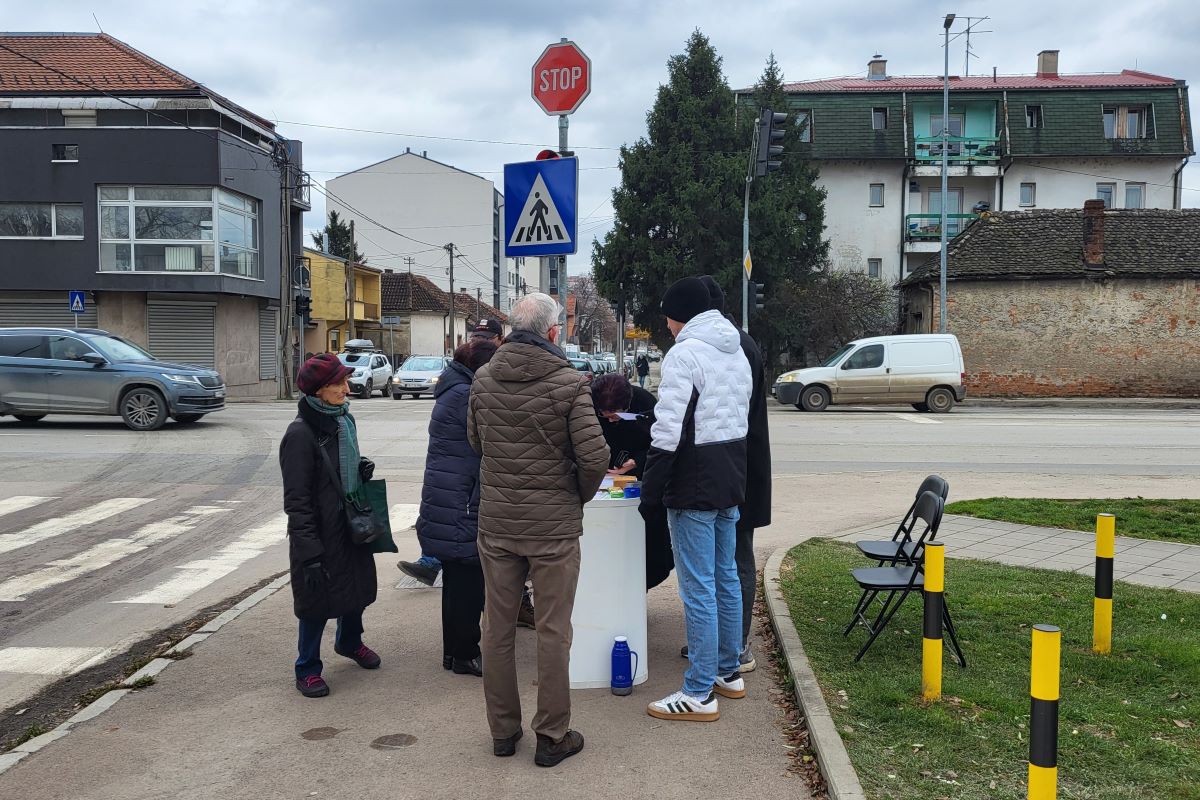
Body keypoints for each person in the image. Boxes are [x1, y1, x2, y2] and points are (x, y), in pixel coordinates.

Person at [468, 293, 609, 767]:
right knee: (553, 631)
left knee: (497, 629)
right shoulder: (570, 383)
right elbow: (594, 458)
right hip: (553, 530)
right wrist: (576, 495)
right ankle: (552, 735)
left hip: (499, 524)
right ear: (553, 333)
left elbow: (476, 441)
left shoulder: (483, 379)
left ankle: (502, 732)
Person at [641, 276, 752, 722]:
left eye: (667, 314)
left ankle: (699, 691)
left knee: (698, 588)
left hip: (692, 483)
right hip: (730, 476)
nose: (666, 324)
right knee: (724, 578)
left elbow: (667, 430)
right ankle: (728, 672)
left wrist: (650, 491)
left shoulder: (684, 354)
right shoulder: (737, 350)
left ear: (679, 314)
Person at [280, 354, 381, 699]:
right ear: (319, 390)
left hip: (350, 522)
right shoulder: (300, 434)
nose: (346, 389)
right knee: (316, 602)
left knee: (356, 590)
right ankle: (306, 667)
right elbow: (297, 500)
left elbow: (341, 468)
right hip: (320, 532)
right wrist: (309, 552)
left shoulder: (344, 421)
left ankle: (350, 642)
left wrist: (359, 468)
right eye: (338, 383)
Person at [698, 276, 771, 673]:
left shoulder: (732, 346)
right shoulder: (737, 341)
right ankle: (722, 643)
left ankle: (737, 647)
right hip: (738, 468)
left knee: (735, 562)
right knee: (724, 562)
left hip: (737, 471)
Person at [416, 337, 499, 678]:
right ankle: (465, 653)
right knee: (468, 584)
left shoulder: (453, 390)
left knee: (455, 583)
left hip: (450, 498)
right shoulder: (467, 395)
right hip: (463, 501)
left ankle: (454, 654)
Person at [590, 373, 673, 589]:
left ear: (627, 405)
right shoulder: (587, 405)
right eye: (604, 415)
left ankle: (637, 591)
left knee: (645, 543)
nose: (610, 421)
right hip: (600, 482)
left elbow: (661, 444)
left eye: (615, 416)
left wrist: (636, 462)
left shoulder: (645, 402)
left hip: (639, 481)